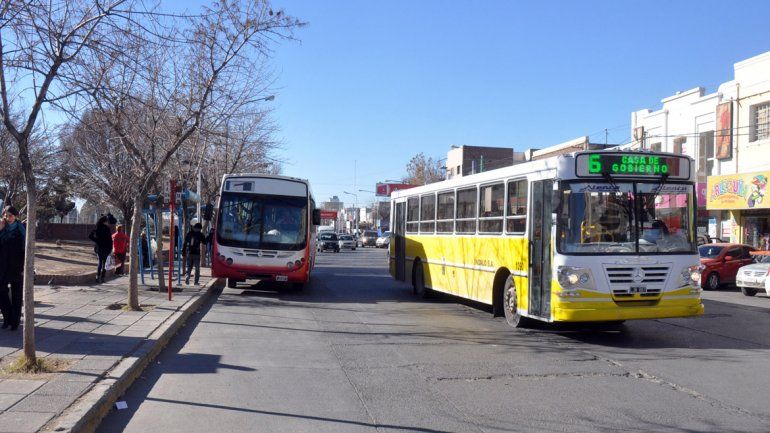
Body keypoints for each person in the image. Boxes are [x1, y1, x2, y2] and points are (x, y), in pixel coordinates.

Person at [0, 206, 25, 331]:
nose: (8, 218)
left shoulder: (21, 229)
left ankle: (14, 322)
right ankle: (7, 318)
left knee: (17, 295)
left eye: (10, 215)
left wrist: (25, 267)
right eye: (6, 215)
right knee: (2, 293)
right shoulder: (2, 228)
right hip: (2, 267)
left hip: (17, 267)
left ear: (15, 216)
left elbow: (26, 249)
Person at [89, 216, 114, 283]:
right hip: (106, 248)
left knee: (100, 262)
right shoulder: (107, 229)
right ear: (104, 221)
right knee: (104, 263)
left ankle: (97, 277)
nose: (108, 223)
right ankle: (103, 277)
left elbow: (90, 237)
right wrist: (111, 248)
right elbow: (110, 240)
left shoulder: (97, 228)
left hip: (99, 248)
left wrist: (97, 241)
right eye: (107, 221)